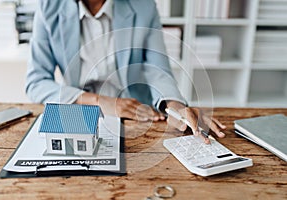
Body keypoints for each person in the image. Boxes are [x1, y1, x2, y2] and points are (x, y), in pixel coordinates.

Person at [26, 0, 226, 143]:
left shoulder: (143, 6)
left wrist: (175, 106)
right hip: (79, 112)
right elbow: (36, 82)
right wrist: (100, 101)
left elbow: (157, 68)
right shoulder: (49, 6)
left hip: (137, 114)